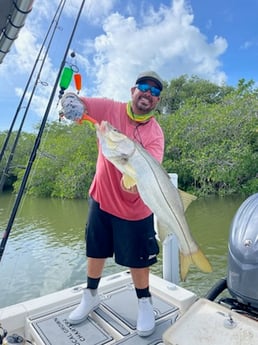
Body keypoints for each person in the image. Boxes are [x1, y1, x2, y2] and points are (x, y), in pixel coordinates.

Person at [61, 71, 164, 337]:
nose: (148, 94)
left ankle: (144, 302)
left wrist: (128, 172)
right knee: (95, 250)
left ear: (157, 101)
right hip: (101, 197)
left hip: (136, 207)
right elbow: (83, 104)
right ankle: (90, 294)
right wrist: (70, 100)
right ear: (133, 90)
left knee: (139, 261)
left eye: (154, 92)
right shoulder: (110, 108)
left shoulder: (155, 134)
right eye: (144, 87)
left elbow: (141, 175)